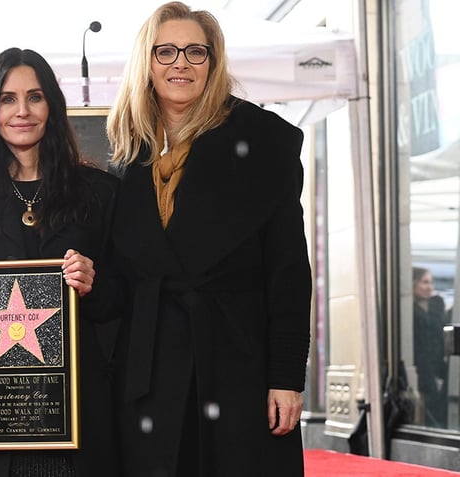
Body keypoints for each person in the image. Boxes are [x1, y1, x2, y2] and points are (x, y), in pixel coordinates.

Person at [105, 2, 313, 476]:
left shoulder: (265, 141)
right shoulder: (122, 150)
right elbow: (120, 278)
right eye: (166, 51)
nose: (180, 63)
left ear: (214, 62)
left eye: (195, 52)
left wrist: (286, 377)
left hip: (237, 364)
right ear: (146, 62)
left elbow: (289, 272)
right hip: (150, 372)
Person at [0, 47, 120, 477]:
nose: (22, 111)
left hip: (79, 419)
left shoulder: (99, 192)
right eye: (7, 99)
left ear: (52, 105)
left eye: (34, 97)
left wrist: (94, 283)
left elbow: (123, 301)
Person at [413, 266, 448, 427]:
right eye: (424, 282)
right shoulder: (410, 311)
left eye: (431, 283)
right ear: (414, 284)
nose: (429, 287)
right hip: (420, 369)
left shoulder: (435, 305)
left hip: (436, 368)